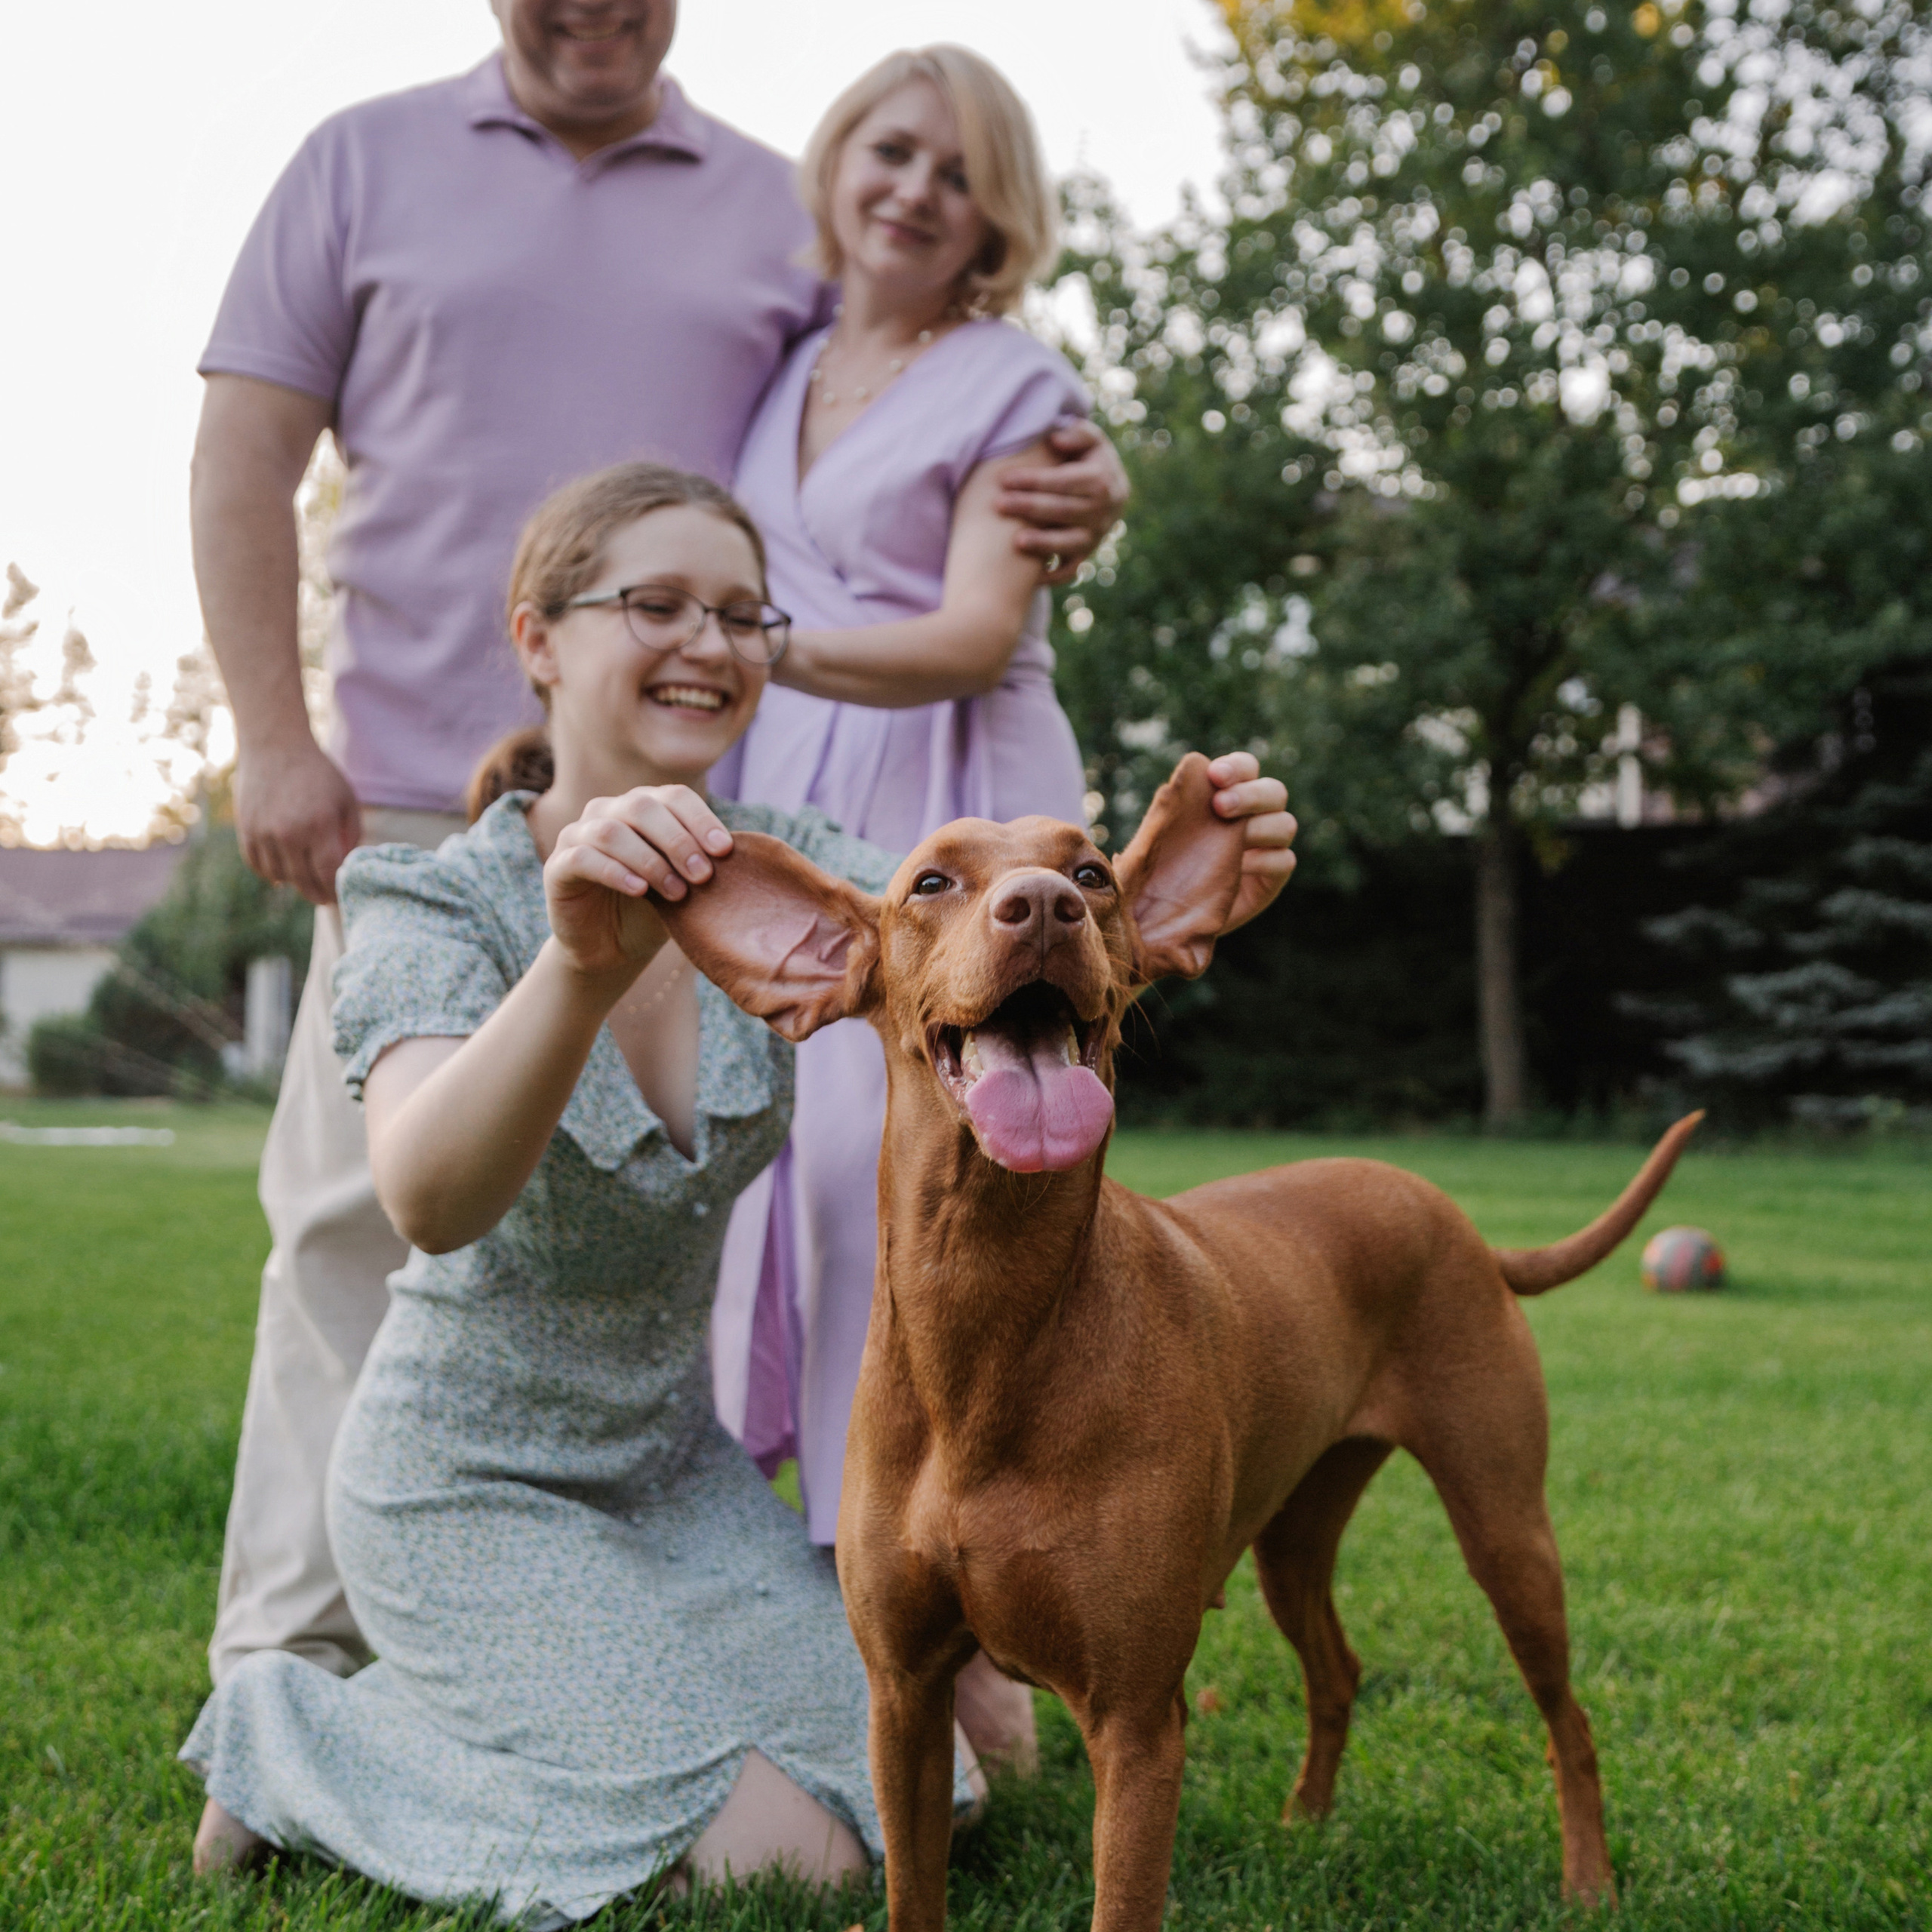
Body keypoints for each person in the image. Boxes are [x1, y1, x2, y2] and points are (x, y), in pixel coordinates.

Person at [182, 463, 1297, 1918]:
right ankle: (303, 1736)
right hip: (467, 1484)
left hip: (675, 1478)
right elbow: (428, 1199)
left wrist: (1155, 891)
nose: (709, 643)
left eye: (742, 615)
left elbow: (1006, 892)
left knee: (938, 1782)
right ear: (538, 639)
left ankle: (546, 1714)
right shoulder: (424, 894)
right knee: (787, 1853)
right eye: (656, 604)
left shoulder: (791, 878)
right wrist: (581, 966)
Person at [192, 0, 1128, 1691]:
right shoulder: (360, 161)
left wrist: (1085, 463)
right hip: (411, 776)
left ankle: (759, 1591)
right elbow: (245, 450)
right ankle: (289, 1651)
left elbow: (938, 369)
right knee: (356, 1219)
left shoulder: (771, 214)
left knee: (767, 1205)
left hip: (729, 807)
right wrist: (273, 734)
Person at [703, 48, 1174, 1761]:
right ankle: (841, 1582)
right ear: (835, 160)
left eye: (957, 173)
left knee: (876, 1167)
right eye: (890, 151)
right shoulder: (782, 357)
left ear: (997, 217)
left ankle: (952, 1624)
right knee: (782, 1158)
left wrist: (740, 647)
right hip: (800, 775)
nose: (913, 189)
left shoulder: (1012, 382)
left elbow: (975, 629)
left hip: (949, 785)